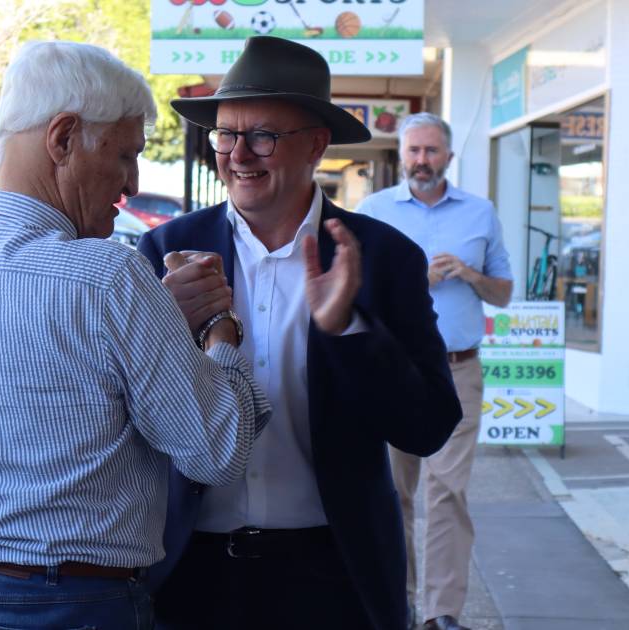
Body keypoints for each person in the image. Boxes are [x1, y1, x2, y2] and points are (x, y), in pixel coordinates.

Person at [0, 41, 272, 630]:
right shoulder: (107, 278)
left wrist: (157, 327)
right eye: (124, 155)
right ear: (62, 139)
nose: (132, 182)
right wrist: (220, 333)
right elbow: (218, 450)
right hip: (72, 603)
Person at [138, 37, 463, 630]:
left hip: (331, 572)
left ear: (315, 144)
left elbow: (429, 426)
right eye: (226, 135)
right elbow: (129, 417)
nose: (238, 155)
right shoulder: (166, 253)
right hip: (189, 572)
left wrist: (349, 329)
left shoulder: (381, 258)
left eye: (262, 135)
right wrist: (165, 331)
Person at [357, 112, 514, 630]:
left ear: (448, 156)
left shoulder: (480, 212)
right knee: (393, 493)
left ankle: (441, 613)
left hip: (458, 369)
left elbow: (505, 292)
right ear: (401, 155)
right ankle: (397, 603)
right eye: (414, 151)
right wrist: (414, 279)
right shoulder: (374, 211)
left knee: (448, 489)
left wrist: (469, 275)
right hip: (393, 368)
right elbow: (353, 296)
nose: (422, 160)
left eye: (431, 151)